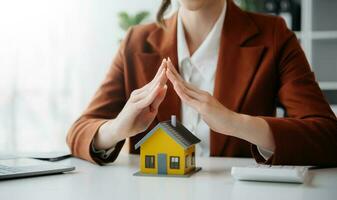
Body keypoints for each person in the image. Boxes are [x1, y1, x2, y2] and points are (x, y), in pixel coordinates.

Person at [67, 0, 337, 166]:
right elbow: (79, 132)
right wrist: (116, 128)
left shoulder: (274, 35)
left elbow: (327, 136)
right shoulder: (136, 41)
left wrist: (235, 122)